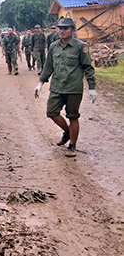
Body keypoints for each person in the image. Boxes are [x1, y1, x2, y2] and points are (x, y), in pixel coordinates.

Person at [35, 18, 97, 157]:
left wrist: (92, 87)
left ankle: (72, 146)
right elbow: (48, 66)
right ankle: (68, 132)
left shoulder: (81, 47)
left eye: (65, 28)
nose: (62, 31)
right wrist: (40, 83)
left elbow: (88, 68)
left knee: (73, 116)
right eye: (60, 28)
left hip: (73, 88)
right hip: (57, 86)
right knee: (51, 112)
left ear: (73, 30)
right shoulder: (54, 46)